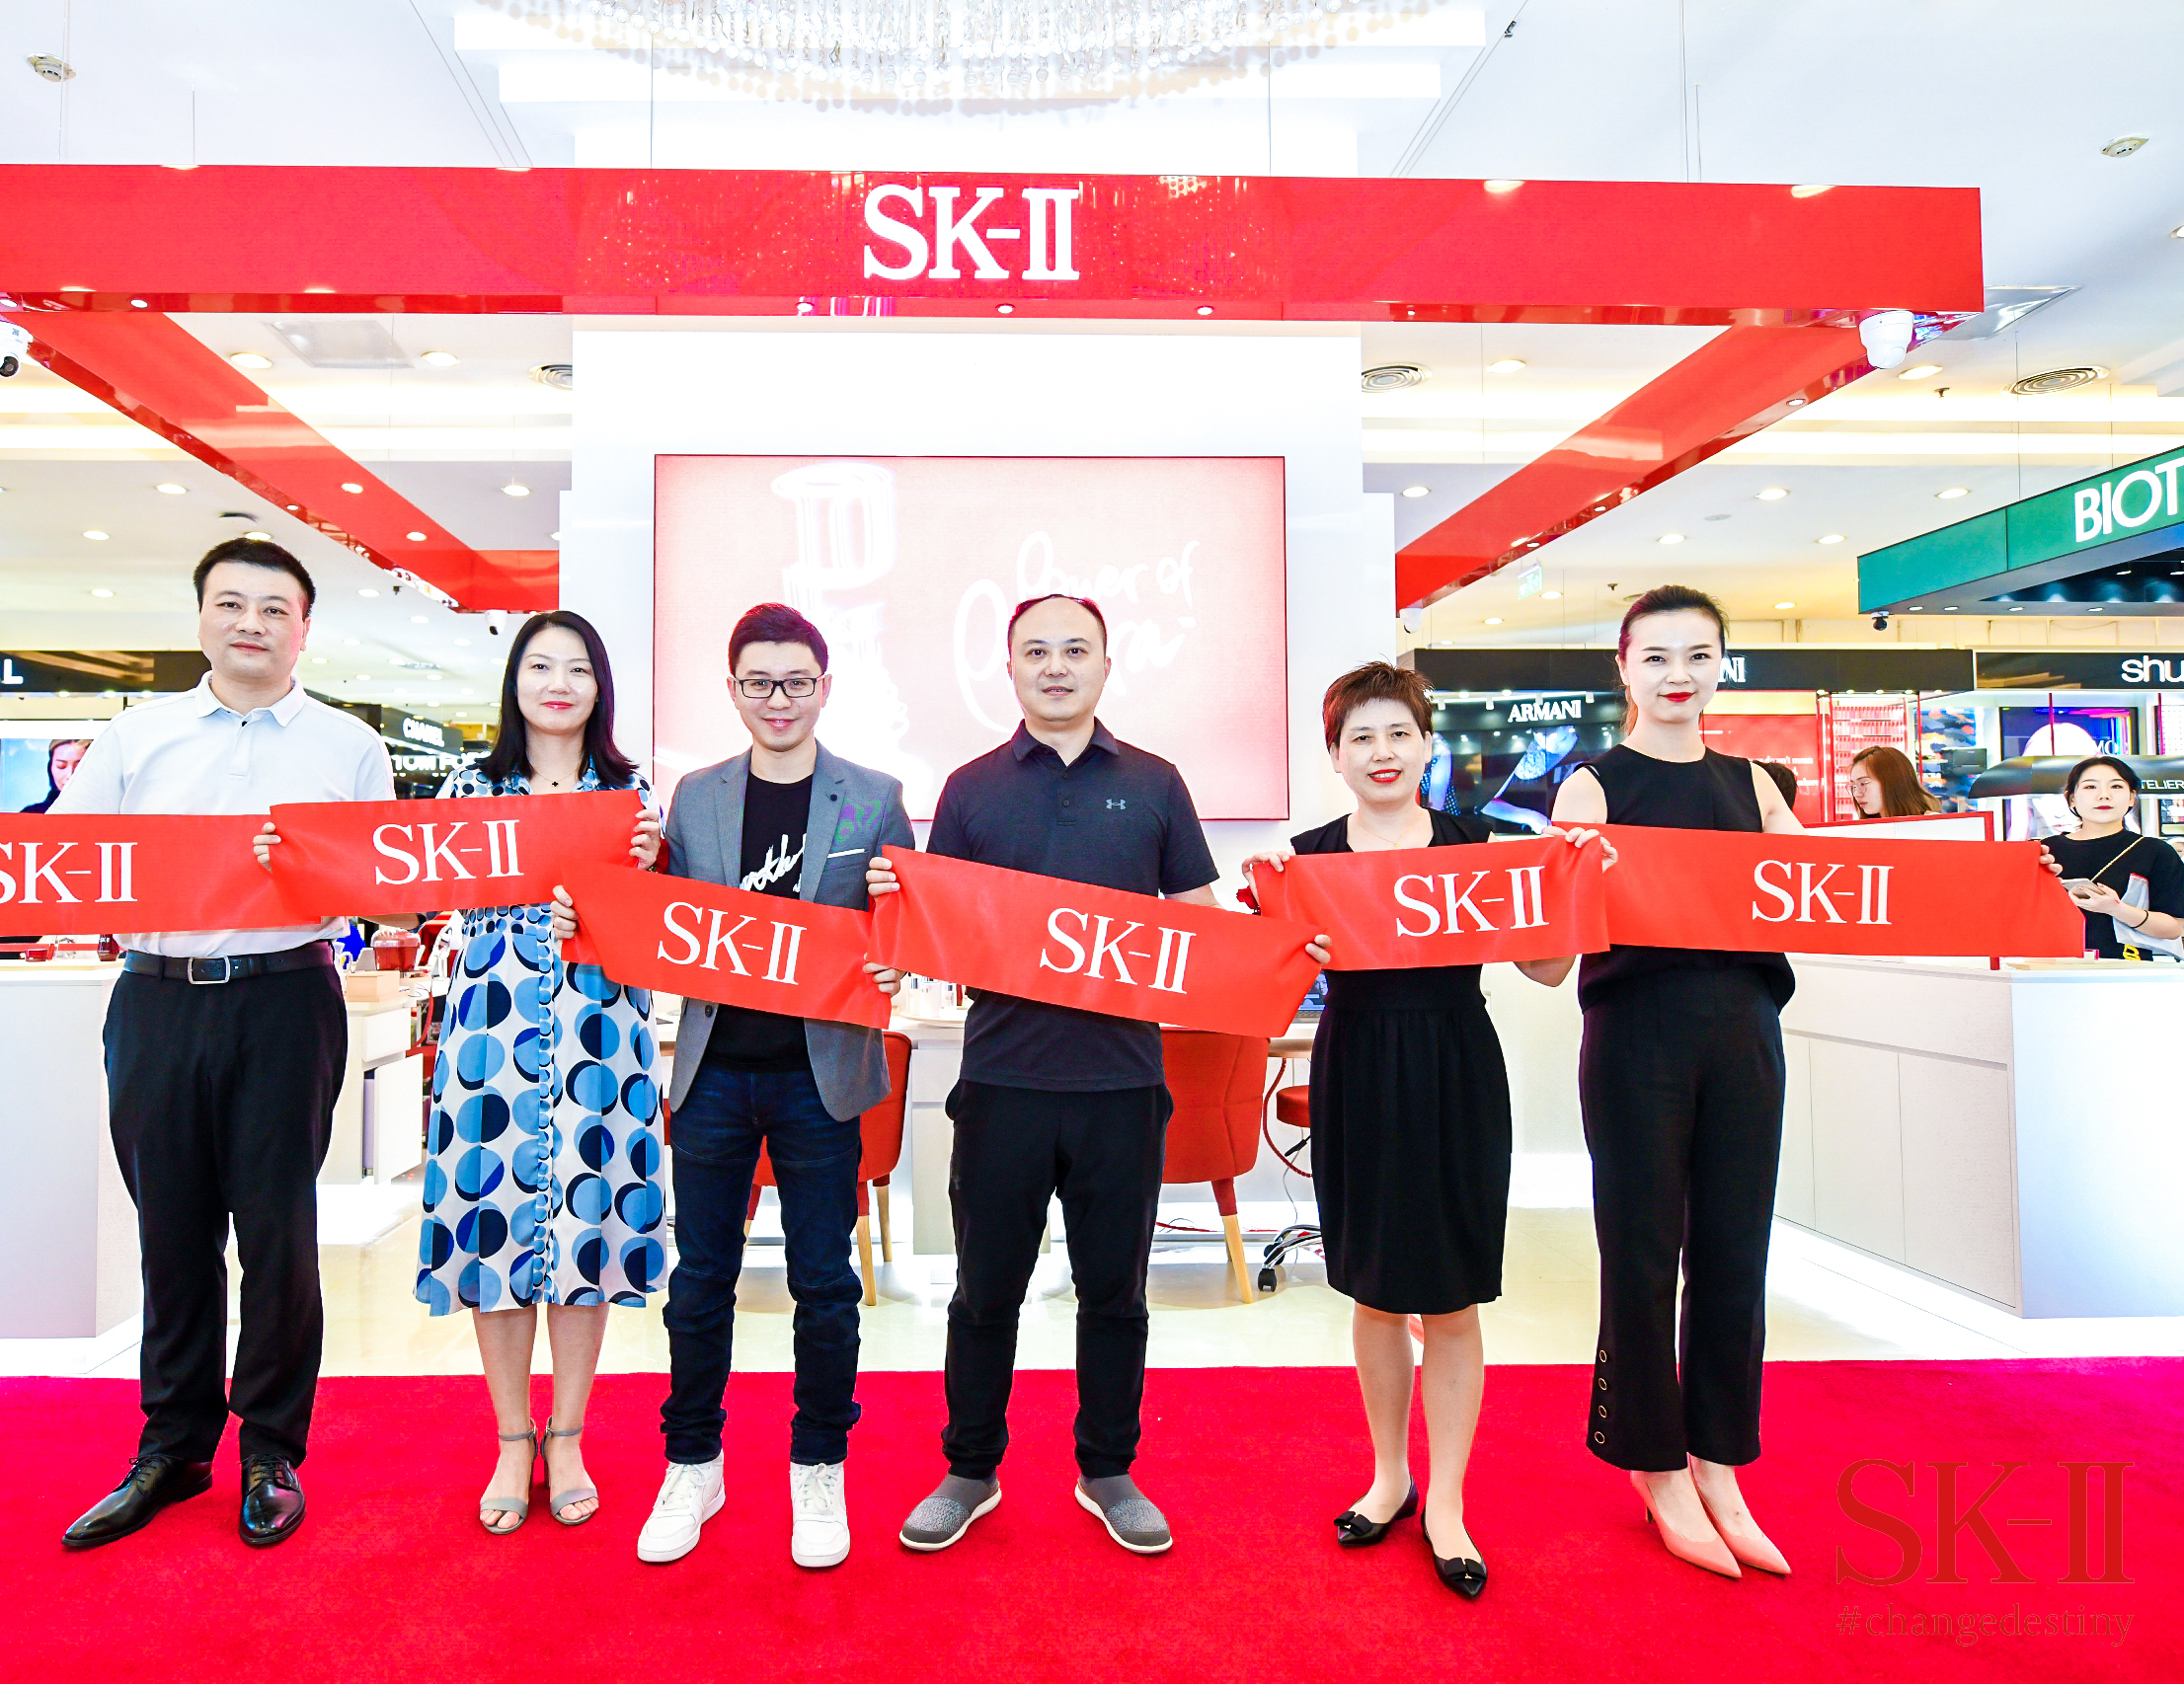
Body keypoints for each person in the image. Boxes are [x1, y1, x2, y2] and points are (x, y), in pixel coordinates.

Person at [0, 536, 394, 1552]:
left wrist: (321, 869)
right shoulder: (135, 737)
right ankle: (173, 1446)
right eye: (232, 603)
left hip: (287, 999)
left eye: (275, 608)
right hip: (155, 1000)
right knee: (171, 1231)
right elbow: (41, 862)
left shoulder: (349, 745)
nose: (252, 622)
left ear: (304, 628)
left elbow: (385, 885)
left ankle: (271, 1448)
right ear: (201, 616)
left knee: (277, 1235)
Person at [868, 592, 1303, 1558]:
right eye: (1036, 651)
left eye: (1075, 649)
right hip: (1002, 1082)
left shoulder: (1155, 782)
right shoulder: (971, 788)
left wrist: (1276, 931)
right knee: (984, 1292)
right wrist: (894, 910)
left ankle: (1108, 1467)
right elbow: (938, 930)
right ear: (1008, 668)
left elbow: (1196, 920)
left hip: (1122, 1084)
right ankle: (969, 1468)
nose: (1055, 666)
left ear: (1106, 664)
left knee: (1116, 1293)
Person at [1246, 663, 1608, 1601]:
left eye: (1398, 734)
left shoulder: (1477, 845)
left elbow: (1544, 969)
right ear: (1334, 756)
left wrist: (1573, 886)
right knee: (1372, 1293)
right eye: (1360, 738)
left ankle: (1447, 1500)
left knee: (1451, 1299)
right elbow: (1270, 994)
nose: (1382, 753)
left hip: (1455, 1067)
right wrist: (1269, 925)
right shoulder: (1306, 860)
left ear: (1426, 744)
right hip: (1357, 1069)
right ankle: (1389, 1478)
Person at [579, 602, 913, 1570]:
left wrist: (895, 941)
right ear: (732, 690)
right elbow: (660, 917)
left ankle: (819, 1463)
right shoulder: (695, 797)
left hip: (823, 1077)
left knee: (825, 1285)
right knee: (699, 1283)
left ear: (824, 687)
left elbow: (903, 925)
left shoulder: (875, 795)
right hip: (714, 1072)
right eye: (759, 682)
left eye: (796, 681)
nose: (778, 699)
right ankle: (693, 1462)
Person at [1547, 585, 1804, 1581]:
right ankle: (1653, 1461)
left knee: (1736, 1253)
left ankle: (1719, 1459)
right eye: (1655, 657)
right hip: (1636, 1037)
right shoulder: (1591, 785)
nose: (1678, 676)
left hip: (1746, 1032)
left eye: (1698, 655)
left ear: (1721, 665)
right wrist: (1568, 877)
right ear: (1623, 668)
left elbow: (1828, 896)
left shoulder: (1757, 785)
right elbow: (1552, 941)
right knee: (1643, 1252)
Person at [416, 609, 666, 1535]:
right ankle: (510, 1439)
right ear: (514, 682)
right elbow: (430, 895)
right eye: (540, 666)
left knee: (586, 1231)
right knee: (495, 1232)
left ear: (600, 687)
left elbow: (656, 926)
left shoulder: (634, 796)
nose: (559, 684)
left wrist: (642, 876)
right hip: (493, 1036)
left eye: (578, 669)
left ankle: (569, 1435)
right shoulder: (467, 787)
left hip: (602, 1035)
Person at [2044, 756, 2184, 960]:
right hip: (2050, 966)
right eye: (2090, 787)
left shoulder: (2156, 852)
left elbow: (2173, 928)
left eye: (2116, 786)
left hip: (2126, 969)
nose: (2104, 795)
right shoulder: (2046, 851)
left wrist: (2116, 909)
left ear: (2131, 797)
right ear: (2071, 798)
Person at [1846, 745, 1938, 819]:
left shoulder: (1932, 824)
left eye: (1863, 784)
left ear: (1893, 781)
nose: (1857, 794)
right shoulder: (1868, 830)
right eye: (1853, 786)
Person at [21, 738, 92, 813]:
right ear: (50, 768)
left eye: (79, 767)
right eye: (61, 766)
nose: (70, 775)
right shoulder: (30, 815)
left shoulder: (100, 810)